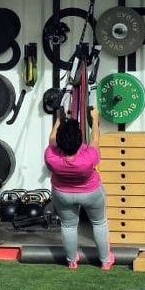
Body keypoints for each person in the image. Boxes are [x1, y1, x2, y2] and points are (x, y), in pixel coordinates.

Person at [46, 106, 114, 270]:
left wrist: (58, 121)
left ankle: (72, 260)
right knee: (99, 223)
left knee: (68, 225)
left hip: (63, 194)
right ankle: (105, 261)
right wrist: (95, 121)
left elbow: (52, 140)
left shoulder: (51, 156)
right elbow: (95, 139)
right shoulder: (88, 157)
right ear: (79, 140)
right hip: (91, 193)